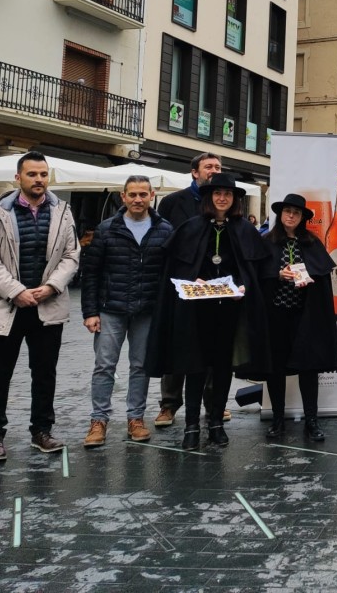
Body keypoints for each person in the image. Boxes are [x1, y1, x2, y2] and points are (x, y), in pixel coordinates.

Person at [147, 173, 273, 450]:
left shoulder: (244, 229)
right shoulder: (191, 227)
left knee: (223, 367)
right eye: (217, 194)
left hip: (231, 312)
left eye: (227, 194)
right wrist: (195, 279)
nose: (222, 198)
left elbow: (255, 270)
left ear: (234, 200)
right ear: (208, 197)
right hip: (196, 312)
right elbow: (177, 268)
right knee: (195, 366)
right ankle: (191, 424)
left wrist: (243, 285)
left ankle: (215, 421)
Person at [0, 152, 80, 462]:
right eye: (32, 174)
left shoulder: (63, 211)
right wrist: (16, 291)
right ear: (18, 177)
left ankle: (41, 431)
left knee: (45, 373)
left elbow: (72, 256)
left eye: (43, 174)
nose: (39, 180)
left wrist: (50, 287)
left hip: (47, 304)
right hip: (7, 305)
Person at [80, 176, 173, 448]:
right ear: (123, 197)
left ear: (152, 195)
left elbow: (169, 273)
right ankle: (99, 421)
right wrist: (90, 312)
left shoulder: (164, 229)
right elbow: (91, 274)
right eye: (132, 194)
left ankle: (136, 418)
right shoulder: (107, 229)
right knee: (104, 366)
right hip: (111, 309)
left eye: (143, 194)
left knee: (141, 366)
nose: (137, 199)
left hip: (147, 310)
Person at [261, 193, 337, 442]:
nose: (291, 215)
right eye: (287, 211)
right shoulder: (267, 242)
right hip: (276, 315)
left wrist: (308, 276)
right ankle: (277, 420)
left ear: (302, 218)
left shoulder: (311, 243)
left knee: (309, 368)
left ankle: (311, 420)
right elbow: (258, 273)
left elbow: (322, 274)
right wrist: (277, 275)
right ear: (280, 214)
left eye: (296, 213)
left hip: (304, 316)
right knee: (275, 369)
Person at [153, 152, 222, 429]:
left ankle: (212, 404)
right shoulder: (173, 202)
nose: (214, 171)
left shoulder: (223, 202)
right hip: (181, 284)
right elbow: (163, 239)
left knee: (210, 347)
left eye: (218, 167)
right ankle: (169, 405)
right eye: (209, 167)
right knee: (177, 343)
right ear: (195, 172)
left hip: (214, 288)